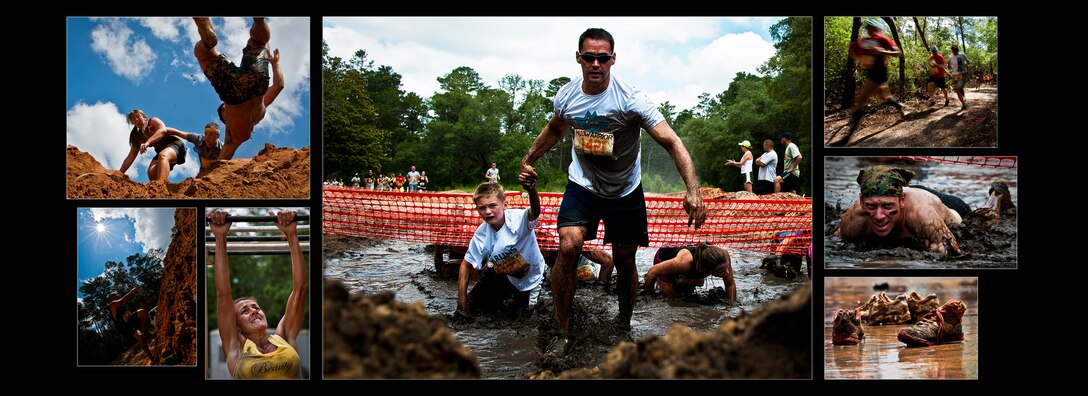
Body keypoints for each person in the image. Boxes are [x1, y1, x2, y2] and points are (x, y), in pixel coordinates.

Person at [517, 28, 707, 355]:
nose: (595, 64)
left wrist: (693, 189)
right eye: (589, 57)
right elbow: (554, 129)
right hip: (583, 184)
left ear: (612, 60)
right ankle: (561, 332)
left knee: (624, 259)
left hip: (625, 190)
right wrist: (528, 159)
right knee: (569, 245)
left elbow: (672, 141)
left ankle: (624, 324)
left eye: (602, 58)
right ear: (578, 58)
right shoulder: (566, 97)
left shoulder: (630, 99)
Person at [209, 210, 307, 379]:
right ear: (237, 325)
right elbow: (223, 294)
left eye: (256, 307)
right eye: (244, 311)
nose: (254, 311)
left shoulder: (283, 336)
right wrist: (220, 237)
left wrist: (291, 234)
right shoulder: (236, 348)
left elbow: (301, 289)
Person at [192, 17, 285, 160]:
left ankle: (257, 22)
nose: (224, 109)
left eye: (223, 109)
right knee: (258, 42)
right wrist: (275, 64)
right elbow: (279, 85)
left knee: (260, 44)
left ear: (226, 118)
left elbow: (222, 159)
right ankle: (259, 21)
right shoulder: (261, 107)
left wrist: (210, 174)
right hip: (247, 85)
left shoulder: (236, 136)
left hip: (251, 87)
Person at [456, 182, 545, 320]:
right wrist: (461, 306)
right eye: (482, 208)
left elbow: (535, 212)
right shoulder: (481, 235)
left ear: (505, 204)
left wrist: (532, 189)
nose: (488, 212)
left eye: (492, 205)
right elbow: (466, 265)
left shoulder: (518, 219)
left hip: (531, 278)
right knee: (472, 309)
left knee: (522, 323)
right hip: (504, 274)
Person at [835, 166, 963, 255]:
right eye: (872, 206)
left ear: (902, 201)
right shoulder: (853, 221)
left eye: (887, 206)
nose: (879, 216)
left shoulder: (924, 216)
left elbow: (953, 256)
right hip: (900, 191)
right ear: (862, 203)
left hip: (946, 204)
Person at [847, 20, 906, 134]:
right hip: (870, 73)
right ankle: (900, 106)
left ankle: (851, 132)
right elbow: (857, 55)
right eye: (867, 27)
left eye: (871, 27)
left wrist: (881, 51)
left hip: (879, 73)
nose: (868, 29)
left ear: (876, 28)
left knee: (860, 100)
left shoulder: (882, 39)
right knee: (885, 98)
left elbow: (897, 52)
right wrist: (853, 52)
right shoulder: (864, 41)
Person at [641, 244, 736, 301]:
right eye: (722, 271)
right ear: (708, 270)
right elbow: (653, 271)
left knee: (691, 293)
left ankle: (682, 280)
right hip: (664, 258)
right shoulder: (684, 262)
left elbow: (730, 285)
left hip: (690, 266)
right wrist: (647, 296)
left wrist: (731, 307)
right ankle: (677, 280)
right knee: (675, 301)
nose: (727, 272)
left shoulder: (724, 257)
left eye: (727, 268)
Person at [120, 109, 188, 181]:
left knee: (163, 155)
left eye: (138, 116)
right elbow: (131, 156)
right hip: (161, 150)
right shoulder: (137, 136)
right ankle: (165, 185)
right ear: (132, 123)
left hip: (175, 145)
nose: (136, 119)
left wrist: (148, 142)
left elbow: (163, 130)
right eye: (133, 119)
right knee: (152, 173)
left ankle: (160, 186)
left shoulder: (152, 121)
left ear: (144, 117)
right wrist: (120, 172)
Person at [108, 286, 156, 364]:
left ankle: (146, 332)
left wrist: (134, 317)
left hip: (130, 320)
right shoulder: (112, 305)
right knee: (139, 336)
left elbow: (127, 312)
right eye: (114, 295)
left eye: (116, 295)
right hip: (125, 327)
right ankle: (151, 358)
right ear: (110, 299)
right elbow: (123, 300)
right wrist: (132, 291)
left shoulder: (120, 305)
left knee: (142, 312)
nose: (116, 296)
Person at [948, 44, 970, 110]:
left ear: (957, 49)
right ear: (952, 50)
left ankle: (964, 102)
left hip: (962, 73)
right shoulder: (951, 58)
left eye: (955, 49)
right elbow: (949, 68)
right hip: (955, 75)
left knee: (959, 88)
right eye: (952, 49)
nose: (954, 50)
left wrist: (965, 64)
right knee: (958, 90)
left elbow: (968, 62)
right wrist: (949, 65)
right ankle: (963, 103)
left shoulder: (962, 55)